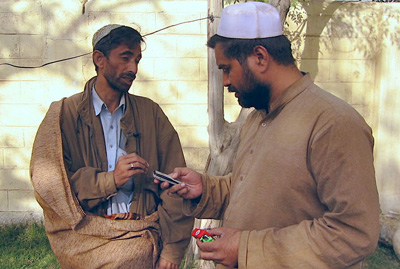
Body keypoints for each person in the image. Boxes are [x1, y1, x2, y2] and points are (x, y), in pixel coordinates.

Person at [156, 2, 380, 268]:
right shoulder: (257, 117)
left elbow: (354, 233)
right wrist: (205, 189)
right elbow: (255, 192)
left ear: (260, 57)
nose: (225, 81)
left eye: (227, 68)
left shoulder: (333, 123)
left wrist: (246, 248)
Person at [30, 24, 193, 268]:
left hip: (143, 236)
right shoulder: (63, 116)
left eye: (137, 60)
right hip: (84, 240)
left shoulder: (151, 113)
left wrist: (171, 250)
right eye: (125, 57)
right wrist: (110, 179)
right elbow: (51, 187)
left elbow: (176, 185)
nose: (133, 68)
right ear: (99, 59)